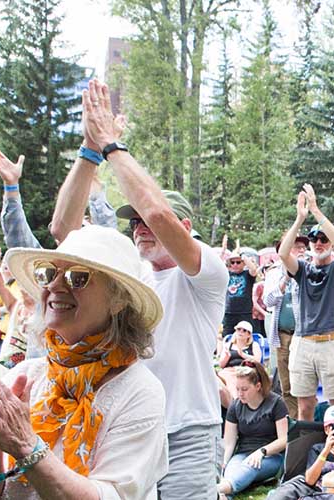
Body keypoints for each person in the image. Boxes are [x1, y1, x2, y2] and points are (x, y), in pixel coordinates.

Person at [52, 79, 228, 499]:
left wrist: (113, 145)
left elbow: (158, 213)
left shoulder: (206, 274)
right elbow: (63, 231)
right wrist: (90, 150)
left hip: (187, 430)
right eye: (133, 222)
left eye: (146, 222)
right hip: (125, 423)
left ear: (187, 230)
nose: (139, 227)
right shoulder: (129, 273)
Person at [0, 225, 168, 499]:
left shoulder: (139, 391)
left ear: (118, 300)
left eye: (78, 277)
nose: (54, 285)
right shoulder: (26, 376)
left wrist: (27, 446)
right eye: (48, 273)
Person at [278, 184, 334, 421]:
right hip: (303, 342)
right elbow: (282, 254)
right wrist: (300, 218)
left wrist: (316, 211)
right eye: (314, 240)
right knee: (304, 406)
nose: (318, 243)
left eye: (323, 239)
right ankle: (307, 451)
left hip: (333, 340)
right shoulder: (302, 270)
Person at [219, 361, 288, 499]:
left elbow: (284, 439)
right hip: (243, 453)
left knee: (250, 467)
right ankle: (222, 494)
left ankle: (214, 490)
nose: (240, 394)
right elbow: (229, 442)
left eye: (244, 389)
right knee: (231, 471)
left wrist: (262, 452)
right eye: (237, 389)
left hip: (271, 456)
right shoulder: (235, 406)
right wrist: (224, 462)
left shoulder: (276, 403)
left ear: (258, 386)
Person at [267, 405, 334, 500]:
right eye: (331, 426)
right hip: (312, 488)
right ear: (326, 429)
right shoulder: (317, 448)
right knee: (285, 491)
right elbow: (309, 481)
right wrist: (325, 451)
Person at [263, 235, 310, 417]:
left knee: (305, 381)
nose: (302, 250)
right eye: (296, 246)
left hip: (304, 335)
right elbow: (268, 301)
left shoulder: (309, 270)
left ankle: (306, 419)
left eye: (303, 247)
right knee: (286, 384)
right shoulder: (274, 273)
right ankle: (293, 422)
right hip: (282, 334)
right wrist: (285, 281)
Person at [218, 321, 264, 397]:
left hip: (246, 370)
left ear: (249, 334)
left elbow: (258, 361)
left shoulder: (254, 345)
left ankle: (235, 401)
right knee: (226, 377)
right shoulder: (228, 345)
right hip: (230, 370)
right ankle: (233, 401)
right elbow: (221, 365)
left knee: (237, 379)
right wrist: (226, 357)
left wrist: (243, 355)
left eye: (244, 330)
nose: (240, 332)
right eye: (238, 329)